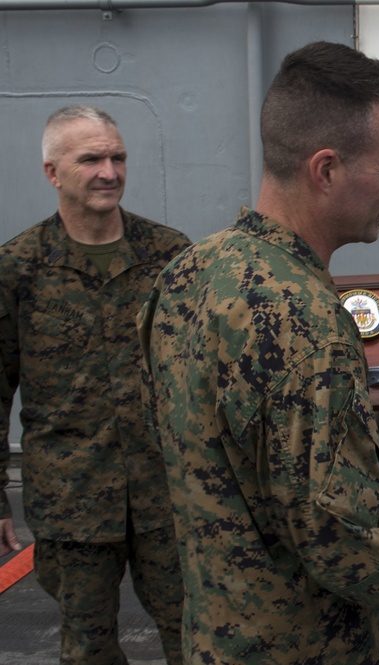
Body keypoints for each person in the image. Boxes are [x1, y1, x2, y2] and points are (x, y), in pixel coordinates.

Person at [138, 42, 379, 664]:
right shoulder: (308, 319)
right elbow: (338, 538)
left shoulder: (186, 275)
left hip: (215, 638)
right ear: (326, 169)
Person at [0, 105, 190, 664]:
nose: (109, 171)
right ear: (52, 172)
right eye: (91, 159)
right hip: (73, 503)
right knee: (88, 649)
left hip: (166, 495)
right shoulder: (18, 269)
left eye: (118, 157)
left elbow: (201, 372)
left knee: (197, 636)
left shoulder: (170, 255)